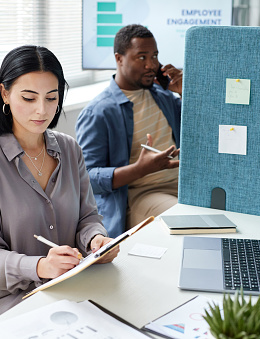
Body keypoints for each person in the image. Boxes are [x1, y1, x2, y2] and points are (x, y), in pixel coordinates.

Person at [0, 45, 119, 338]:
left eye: (51, 98)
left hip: (58, 283)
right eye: (28, 98)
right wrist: (41, 265)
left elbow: (87, 216)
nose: (42, 110)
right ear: (5, 94)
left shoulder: (69, 149)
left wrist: (95, 240)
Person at [75, 24, 183, 237]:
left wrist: (185, 92)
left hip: (183, 186)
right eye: (142, 57)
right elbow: (86, 178)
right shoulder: (98, 112)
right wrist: (140, 169)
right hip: (141, 195)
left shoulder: (165, 97)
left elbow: (203, 130)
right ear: (119, 59)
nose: (151, 65)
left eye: (154, 56)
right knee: (188, 221)